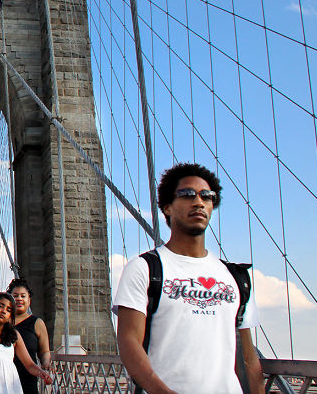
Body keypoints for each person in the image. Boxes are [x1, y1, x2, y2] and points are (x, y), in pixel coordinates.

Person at [113, 162, 264, 394]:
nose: (198, 202)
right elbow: (129, 342)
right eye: (186, 194)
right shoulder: (144, 269)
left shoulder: (237, 277)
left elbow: (249, 359)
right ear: (167, 208)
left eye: (207, 196)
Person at [6, 279, 51, 394]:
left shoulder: (37, 323)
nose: (19, 299)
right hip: (3, 380)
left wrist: (46, 364)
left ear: (29, 300)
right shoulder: (1, 323)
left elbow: (44, 351)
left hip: (27, 380)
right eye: (15, 296)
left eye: (23, 296)